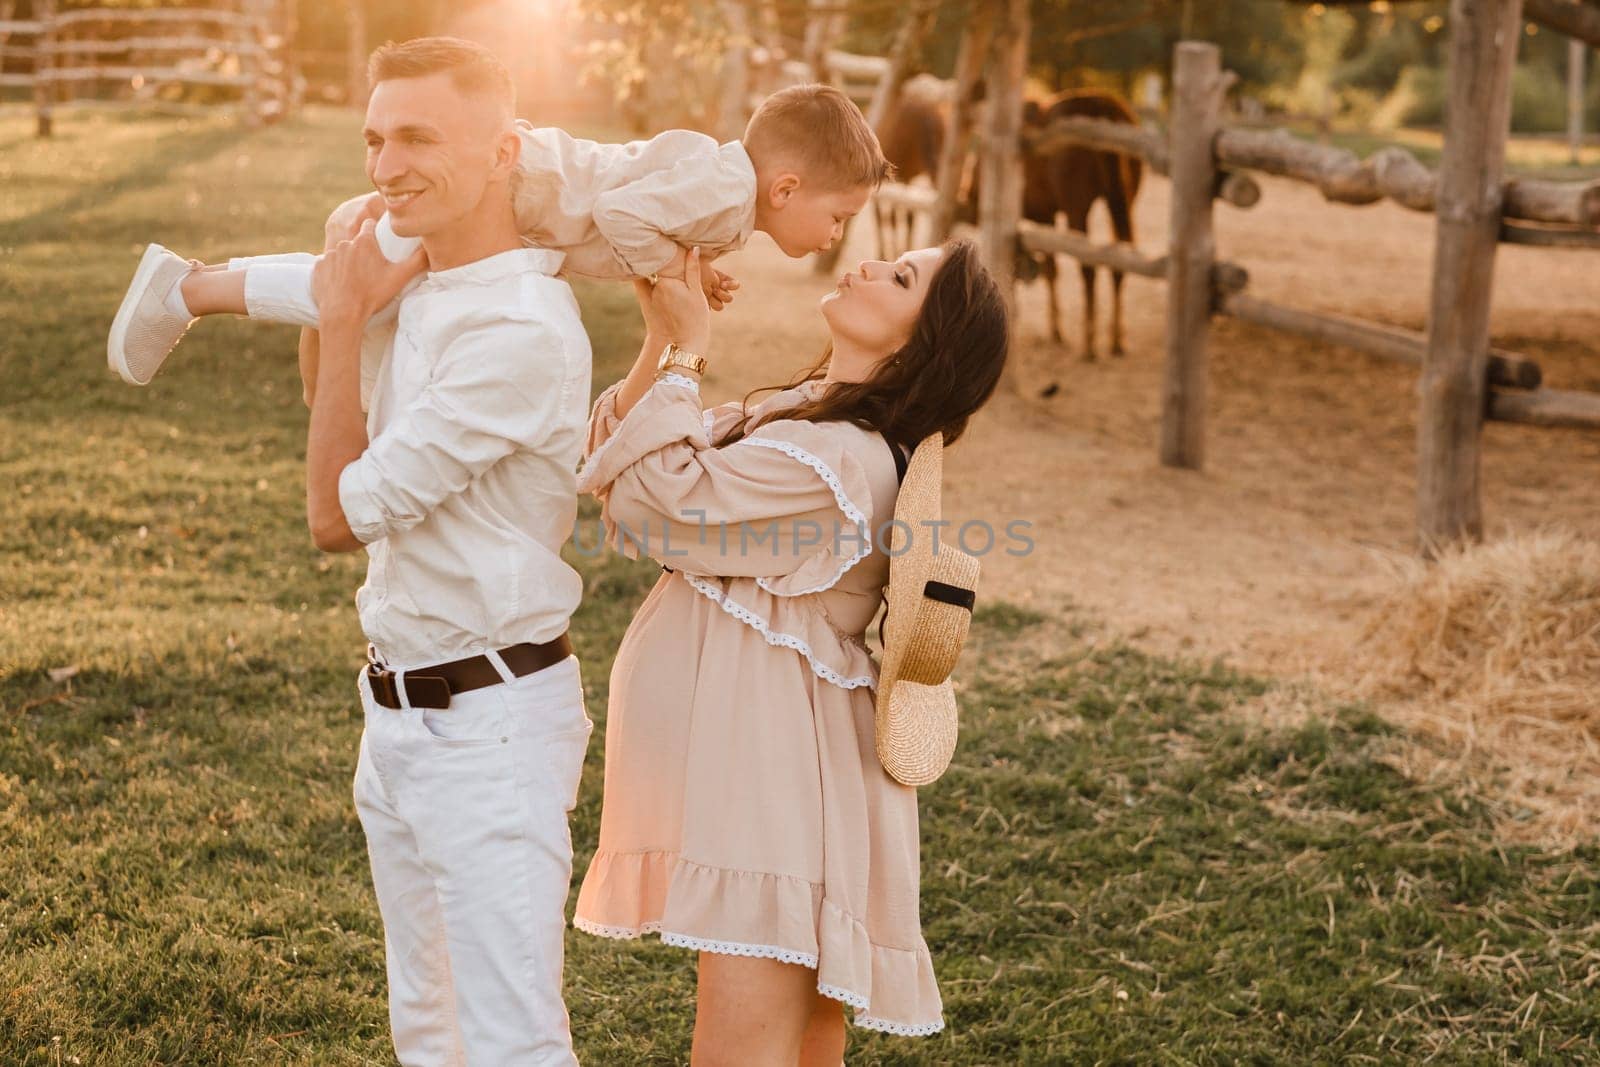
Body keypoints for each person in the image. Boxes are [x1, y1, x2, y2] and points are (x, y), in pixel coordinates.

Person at [571, 240, 1008, 1062]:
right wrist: (661, 336)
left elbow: (658, 501)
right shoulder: (814, 416)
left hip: (773, 775)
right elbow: (617, 459)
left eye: (902, 277)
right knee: (798, 1045)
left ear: (921, 344)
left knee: (742, 1048)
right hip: (768, 761)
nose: (872, 264)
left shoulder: (841, 459)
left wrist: (690, 349)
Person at [292, 38, 594, 1065]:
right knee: (428, 1025)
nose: (384, 167)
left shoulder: (519, 328)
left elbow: (333, 516)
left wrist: (340, 320)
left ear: (504, 150)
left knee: (511, 1042)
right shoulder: (421, 290)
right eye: (375, 139)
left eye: (417, 137)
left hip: (492, 727)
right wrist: (349, 314)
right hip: (398, 716)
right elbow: (335, 433)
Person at [106, 77, 889, 387]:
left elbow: (641, 214)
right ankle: (190, 287)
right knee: (365, 287)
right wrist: (669, 267)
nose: (833, 237)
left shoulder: (726, 198)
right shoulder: (725, 193)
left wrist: (693, 266)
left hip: (526, 204)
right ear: (785, 187)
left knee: (373, 296)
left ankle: (241, 278)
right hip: (519, 189)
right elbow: (621, 217)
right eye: (838, 217)